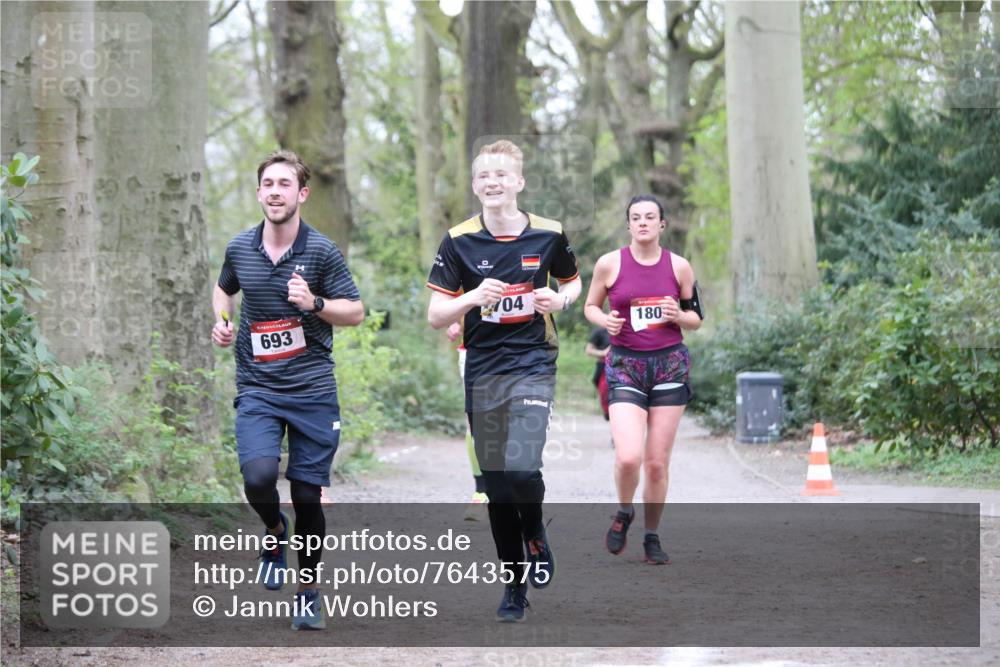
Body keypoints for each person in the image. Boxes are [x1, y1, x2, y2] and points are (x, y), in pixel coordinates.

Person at [426, 140, 582, 622]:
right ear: (475, 186)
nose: (492, 182)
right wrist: (471, 297)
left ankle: (535, 532)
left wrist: (562, 300)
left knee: (521, 470)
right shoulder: (458, 240)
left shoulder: (549, 234)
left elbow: (572, 281)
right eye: (483, 176)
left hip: (533, 363)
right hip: (484, 369)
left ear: (518, 182)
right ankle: (514, 586)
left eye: (501, 174)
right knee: (496, 486)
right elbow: (436, 315)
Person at [211, 150, 364, 630]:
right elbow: (224, 288)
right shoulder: (240, 247)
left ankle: (308, 592)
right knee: (258, 479)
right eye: (268, 184)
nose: (275, 192)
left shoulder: (321, 251)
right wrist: (223, 321)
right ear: (258, 192)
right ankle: (275, 530)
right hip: (258, 386)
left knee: (307, 496)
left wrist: (314, 302)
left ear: (302, 194)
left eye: (284, 184)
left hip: (312, 389)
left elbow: (354, 311)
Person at [583, 194, 703, 565]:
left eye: (650, 217)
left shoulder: (679, 267)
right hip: (626, 366)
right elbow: (590, 306)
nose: (643, 223)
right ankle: (624, 511)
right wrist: (605, 320)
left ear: (661, 224)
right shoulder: (609, 264)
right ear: (629, 224)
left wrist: (678, 315)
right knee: (628, 457)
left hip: (669, 366)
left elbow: (696, 318)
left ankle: (652, 536)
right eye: (636, 217)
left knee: (656, 463)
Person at [446, 321, 489, 521]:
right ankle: (481, 492)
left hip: (521, 351)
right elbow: (444, 306)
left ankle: (518, 495)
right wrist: (455, 321)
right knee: (476, 421)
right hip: (475, 350)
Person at [585, 327, 611, 421]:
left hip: (625, 367)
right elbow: (588, 350)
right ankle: (607, 412)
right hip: (604, 367)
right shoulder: (600, 331)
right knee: (604, 392)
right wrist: (604, 353)